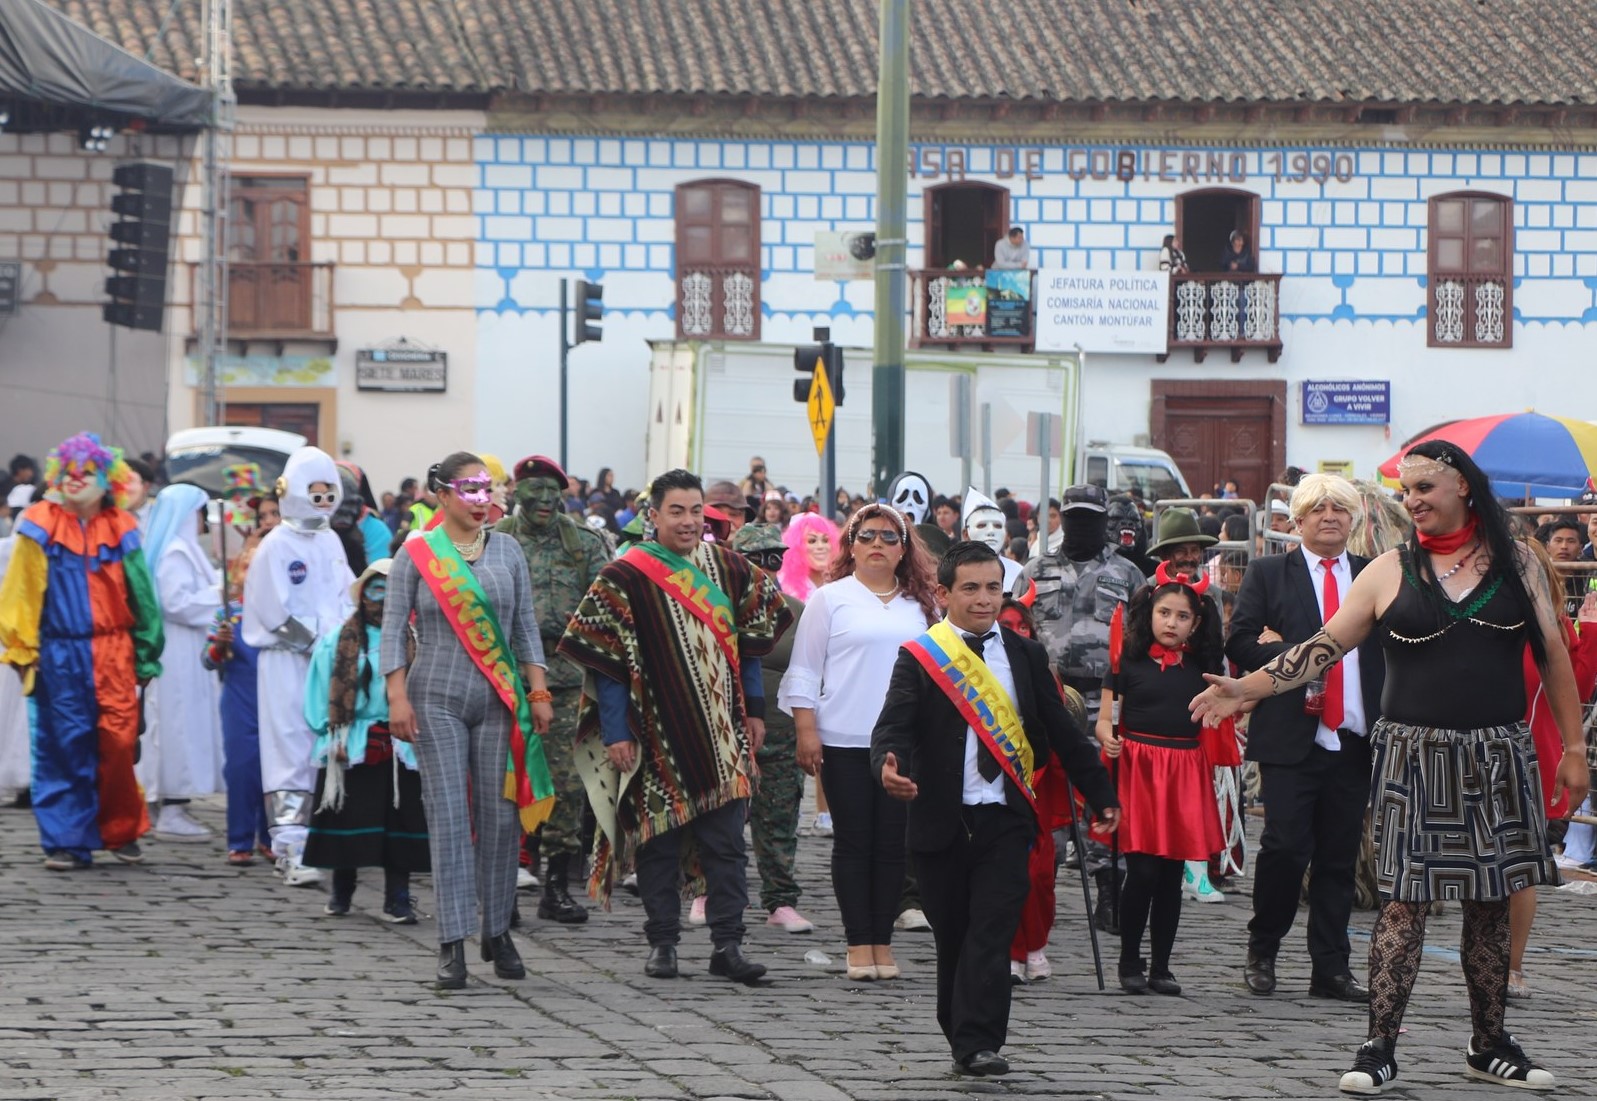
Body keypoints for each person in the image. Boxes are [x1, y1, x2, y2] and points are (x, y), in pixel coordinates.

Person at [1192, 440, 1590, 1094]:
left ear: (1462, 485)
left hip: (1498, 752)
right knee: (1404, 904)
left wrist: (1573, 751)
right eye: (1405, 490)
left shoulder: (1517, 563)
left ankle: (1487, 1043)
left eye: (1424, 488)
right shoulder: (1385, 570)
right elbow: (1319, 650)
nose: (1412, 501)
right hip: (1414, 754)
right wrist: (1246, 688)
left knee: (1489, 904)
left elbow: (1552, 656)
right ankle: (1378, 1045)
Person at [871, 541, 1120, 1076]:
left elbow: (1061, 731)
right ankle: (961, 1031)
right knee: (956, 935)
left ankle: (980, 1042)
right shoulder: (921, 657)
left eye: (993, 588)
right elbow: (893, 725)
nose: (985, 600)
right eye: (971, 589)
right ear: (943, 593)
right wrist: (887, 766)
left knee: (993, 928)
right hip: (943, 820)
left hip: (1006, 817)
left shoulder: (1026, 655)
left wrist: (1100, 793)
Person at [558, 469, 792, 985]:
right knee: (656, 842)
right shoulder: (625, 574)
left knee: (727, 845)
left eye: (695, 511)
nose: (688, 521)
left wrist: (754, 711)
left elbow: (751, 647)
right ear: (654, 515)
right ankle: (662, 942)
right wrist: (617, 731)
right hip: (653, 730)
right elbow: (607, 663)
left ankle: (727, 945)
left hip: (722, 730)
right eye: (676, 511)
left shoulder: (730, 569)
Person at [1226, 473, 1385, 1002]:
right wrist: (1295, 650)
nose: (1329, 517)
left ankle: (1331, 969)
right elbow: (1242, 642)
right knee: (1286, 847)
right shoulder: (1271, 573)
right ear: (1297, 521)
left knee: (1339, 859)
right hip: (1292, 734)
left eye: (1339, 508)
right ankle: (1263, 948)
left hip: (1354, 737)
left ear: (1354, 518)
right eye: (1317, 509)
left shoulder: (1372, 574)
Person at [780, 503, 938, 980]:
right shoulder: (831, 599)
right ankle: (857, 944)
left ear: (904, 548)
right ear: (851, 544)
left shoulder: (922, 606)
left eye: (889, 537)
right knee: (854, 843)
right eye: (867, 535)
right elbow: (805, 668)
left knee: (893, 845)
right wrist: (806, 730)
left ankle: (882, 945)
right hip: (843, 739)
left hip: (901, 742)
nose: (877, 545)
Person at [0, 433, 163, 869]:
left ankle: (120, 827)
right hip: (58, 652)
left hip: (114, 650)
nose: (76, 480)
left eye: (86, 472)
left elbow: (142, 594)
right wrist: (22, 650)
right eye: (69, 472)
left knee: (118, 741)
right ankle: (67, 841)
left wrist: (147, 652)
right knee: (63, 744)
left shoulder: (122, 526)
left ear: (105, 478)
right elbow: (20, 591)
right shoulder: (39, 522)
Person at [1018, 483, 1146, 928]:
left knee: (1102, 794)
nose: (1081, 526)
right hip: (1047, 697)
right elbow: (1016, 629)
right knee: (1044, 791)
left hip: (1103, 699)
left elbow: (1141, 642)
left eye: (1091, 518)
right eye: (1073, 517)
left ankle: (1109, 890)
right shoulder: (1035, 570)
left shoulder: (1128, 575)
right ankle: (1039, 885)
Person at [1097, 563, 1227, 995]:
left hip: (1183, 770)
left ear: (1196, 622)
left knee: (1172, 874)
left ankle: (1162, 966)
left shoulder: (1203, 669)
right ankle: (1129, 958)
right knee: (1144, 871)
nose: (1171, 623)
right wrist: (1108, 739)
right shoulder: (1126, 662)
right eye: (1164, 613)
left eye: (1182, 616)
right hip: (1139, 771)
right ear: (1149, 613)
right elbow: (1104, 720)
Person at [496, 454, 609, 926]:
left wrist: (573, 627)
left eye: (553, 492)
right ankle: (502, 885)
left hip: (564, 683)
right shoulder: (494, 541)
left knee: (565, 786)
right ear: (516, 493)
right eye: (535, 491)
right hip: (503, 681)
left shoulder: (582, 543)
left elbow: (607, 607)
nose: (544, 501)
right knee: (504, 783)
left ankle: (557, 886)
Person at [242, 447, 355, 887]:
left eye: (329, 493)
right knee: (288, 746)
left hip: (328, 662)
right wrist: (318, 643)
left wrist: (348, 637)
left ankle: (321, 840)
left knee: (321, 747)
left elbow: (346, 593)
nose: (323, 501)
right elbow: (273, 612)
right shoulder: (276, 546)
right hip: (288, 662)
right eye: (316, 492)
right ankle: (289, 846)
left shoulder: (329, 540)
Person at [304, 558, 429, 922]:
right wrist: (332, 734)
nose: (383, 598)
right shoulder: (337, 640)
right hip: (353, 740)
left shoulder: (417, 641)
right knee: (349, 819)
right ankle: (342, 891)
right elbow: (318, 691)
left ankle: (398, 897)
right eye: (376, 589)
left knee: (400, 822)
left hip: (402, 742)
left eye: (392, 591)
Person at [1508, 540, 1597, 997]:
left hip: (1532, 759)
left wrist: (1593, 628)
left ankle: (1512, 966)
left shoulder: (1553, 625)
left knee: (1518, 869)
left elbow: (1579, 685)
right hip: (1468, 755)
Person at [732, 521, 815, 934]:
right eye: (755, 559)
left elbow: (811, 674)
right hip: (727, 729)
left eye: (774, 558)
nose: (766, 567)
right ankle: (708, 892)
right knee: (720, 817)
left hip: (781, 730)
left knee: (779, 819)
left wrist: (809, 731)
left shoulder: (795, 612)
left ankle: (780, 899)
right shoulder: (716, 607)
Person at [139, 484, 225, 841]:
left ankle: (169, 803)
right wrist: (220, 594)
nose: (205, 520)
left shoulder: (184, 550)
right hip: (177, 650)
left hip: (185, 649)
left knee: (180, 724)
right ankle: (171, 806)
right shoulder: (175, 553)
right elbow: (176, 603)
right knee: (176, 725)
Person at [960, 488, 1024, 594]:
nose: (991, 532)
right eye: (982, 525)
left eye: (997, 526)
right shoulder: (954, 572)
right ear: (966, 534)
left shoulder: (1019, 573)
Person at [778, 512, 838, 602]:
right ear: (796, 547)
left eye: (825, 540)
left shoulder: (840, 582)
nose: (820, 546)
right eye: (812, 541)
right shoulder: (782, 586)